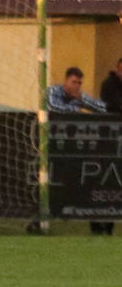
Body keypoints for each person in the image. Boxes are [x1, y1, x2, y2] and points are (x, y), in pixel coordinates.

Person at [48, 66, 112, 234]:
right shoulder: (53, 91)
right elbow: (54, 107)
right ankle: (41, 218)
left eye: (79, 83)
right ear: (66, 81)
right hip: (49, 144)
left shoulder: (79, 96)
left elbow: (103, 108)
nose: (76, 86)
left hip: (70, 147)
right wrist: (78, 109)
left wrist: (82, 100)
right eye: (73, 82)